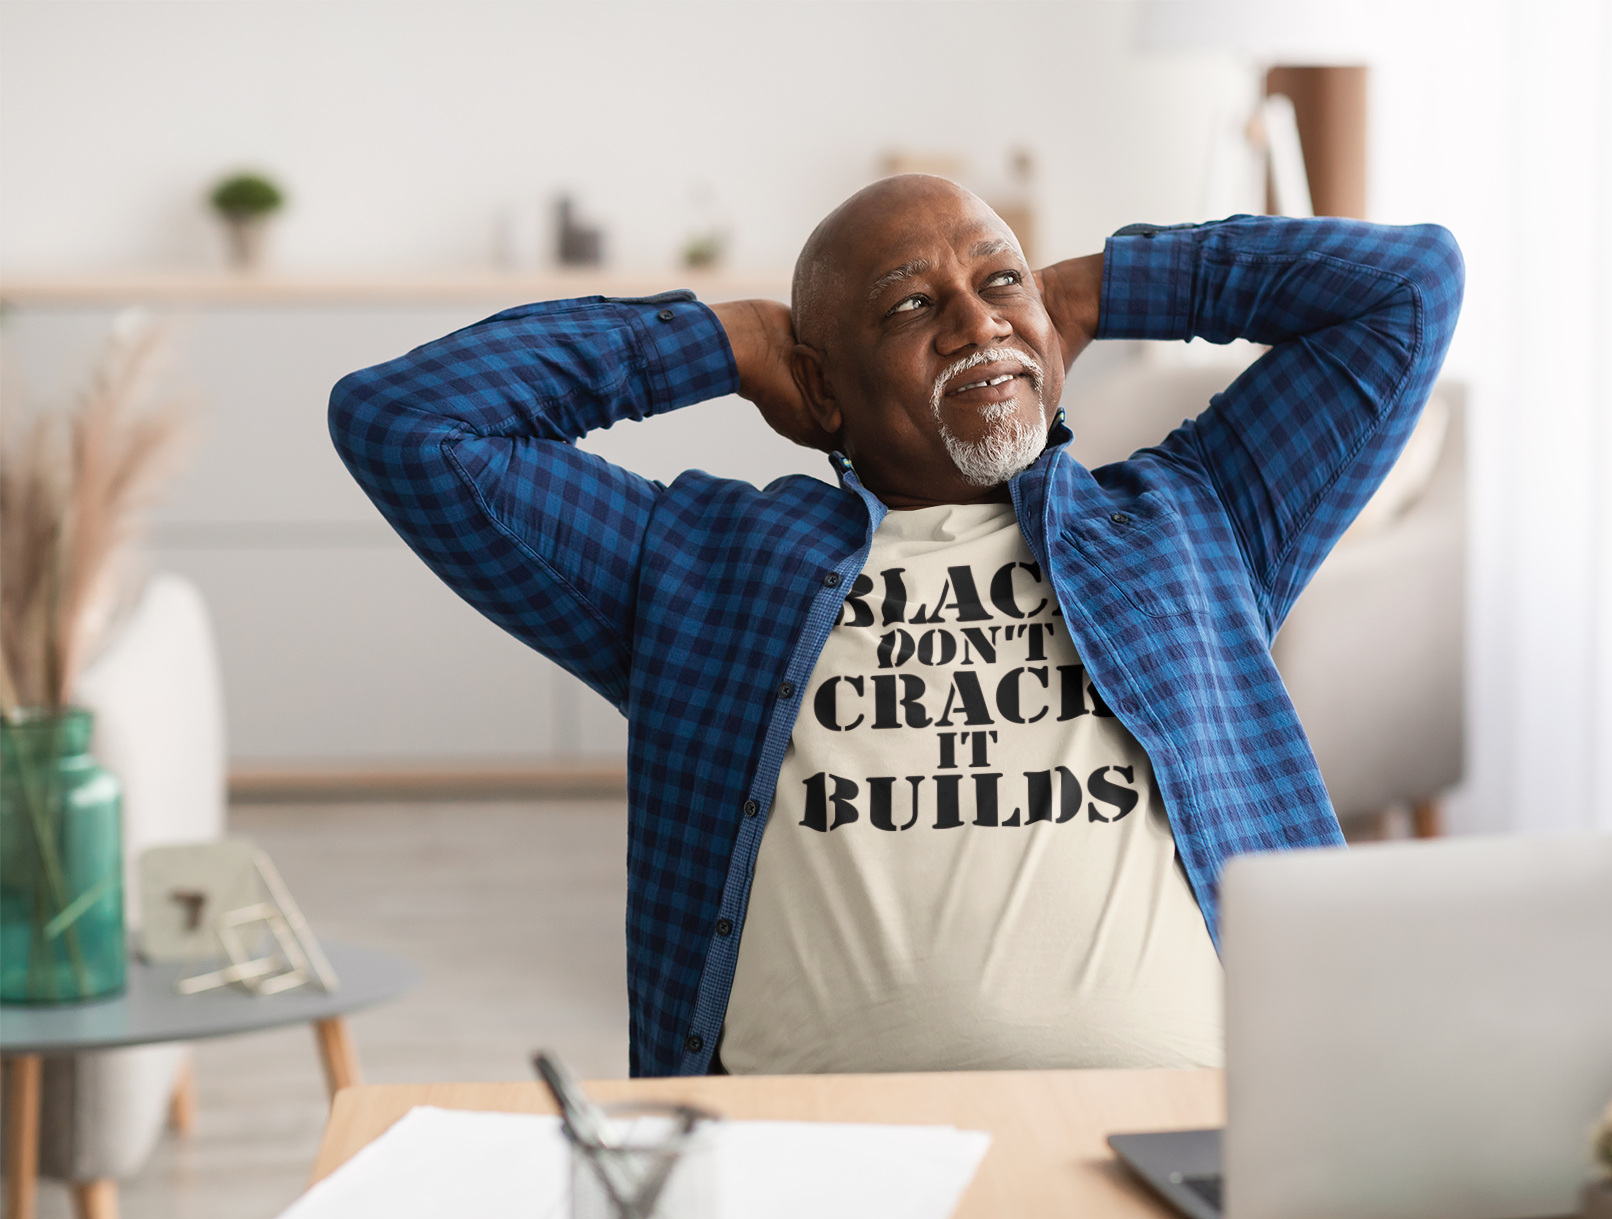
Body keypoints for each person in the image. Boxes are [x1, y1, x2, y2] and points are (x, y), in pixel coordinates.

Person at [330, 176, 1463, 1078]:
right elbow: (406, 421)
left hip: (1172, 1149)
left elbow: (1409, 286)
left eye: (998, 281)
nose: (977, 322)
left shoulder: (1191, 521)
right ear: (820, 391)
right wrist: (719, 343)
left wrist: (1092, 292)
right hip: (827, 1178)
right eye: (912, 304)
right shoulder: (697, 569)